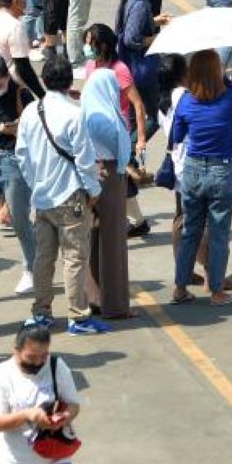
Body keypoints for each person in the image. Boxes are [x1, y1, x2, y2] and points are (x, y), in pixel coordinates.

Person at [15, 58, 106, 331]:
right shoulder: (74, 113)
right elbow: (84, 159)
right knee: (75, 258)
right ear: (69, 82)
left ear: (43, 80)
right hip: (71, 196)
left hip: (42, 197)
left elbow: (22, 154)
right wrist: (93, 190)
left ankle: (41, 311)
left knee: (44, 258)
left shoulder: (32, 110)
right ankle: (77, 315)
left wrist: (36, 183)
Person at [168, 50, 232, 308]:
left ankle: (180, 287)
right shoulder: (230, 98)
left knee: (191, 229)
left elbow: (177, 136)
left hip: (192, 169)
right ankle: (216, 290)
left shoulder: (186, 101)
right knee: (218, 232)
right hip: (220, 169)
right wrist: (230, 83)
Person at [0, 326, 82, 464]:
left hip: (55, 459)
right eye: (31, 357)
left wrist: (64, 418)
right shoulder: (1, 375)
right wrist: (28, 415)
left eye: (43, 356)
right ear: (16, 350)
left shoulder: (56, 366)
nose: (38, 363)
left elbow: (73, 405)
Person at [80, 69, 135, 322]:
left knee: (93, 237)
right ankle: (116, 304)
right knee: (113, 242)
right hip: (110, 174)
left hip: (91, 174)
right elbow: (120, 146)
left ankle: (94, 297)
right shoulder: (104, 116)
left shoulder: (87, 110)